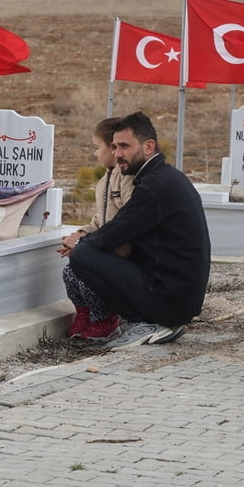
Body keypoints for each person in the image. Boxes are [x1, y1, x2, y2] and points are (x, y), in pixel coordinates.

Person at [65, 111, 211, 348]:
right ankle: (153, 320)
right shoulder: (165, 177)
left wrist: (80, 241)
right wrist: (87, 236)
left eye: (124, 146)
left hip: (170, 299)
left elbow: (115, 233)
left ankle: (146, 322)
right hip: (177, 294)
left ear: (149, 146)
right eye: (114, 146)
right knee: (88, 249)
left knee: (83, 256)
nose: (117, 154)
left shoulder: (155, 186)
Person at [57, 117, 135, 338]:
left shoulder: (126, 178)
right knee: (69, 273)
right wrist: (80, 234)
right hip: (100, 247)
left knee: (88, 276)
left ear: (113, 149)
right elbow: (97, 222)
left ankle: (106, 320)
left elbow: (128, 220)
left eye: (96, 147)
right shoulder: (103, 182)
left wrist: (86, 246)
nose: (95, 153)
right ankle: (85, 314)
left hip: (120, 253)